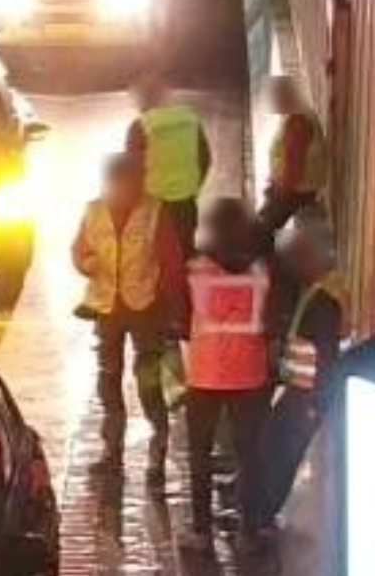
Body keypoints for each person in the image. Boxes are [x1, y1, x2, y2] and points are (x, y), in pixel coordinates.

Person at [72, 152, 185, 487]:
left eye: (130, 185)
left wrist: (174, 311)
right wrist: (85, 264)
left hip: (145, 309)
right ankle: (112, 451)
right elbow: (78, 249)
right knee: (108, 379)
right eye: (118, 185)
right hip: (107, 309)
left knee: (148, 381)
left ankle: (157, 451)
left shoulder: (155, 212)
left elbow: (171, 264)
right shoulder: (93, 210)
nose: (124, 191)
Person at [181, 197, 274, 547]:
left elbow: (184, 310)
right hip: (249, 374)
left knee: (200, 453)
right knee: (249, 454)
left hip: (205, 374)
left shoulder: (197, 270)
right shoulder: (262, 271)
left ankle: (200, 531)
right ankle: (252, 529)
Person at [259, 218, 347, 525]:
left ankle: (261, 518)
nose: (293, 264)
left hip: (304, 395)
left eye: (300, 255)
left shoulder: (324, 301)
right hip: (298, 390)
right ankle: (260, 515)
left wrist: (314, 403)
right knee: (276, 453)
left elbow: (326, 356)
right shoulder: (316, 293)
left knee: (282, 457)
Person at [125, 74, 212, 257]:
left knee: (157, 260)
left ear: (141, 100)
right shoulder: (189, 118)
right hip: (186, 202)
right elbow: (206, 158)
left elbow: (131, 171)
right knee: (184, 255)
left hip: (155, 205)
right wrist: (193, 187)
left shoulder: (140, 126)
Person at [261, 75, 329, 232]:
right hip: (294, 193)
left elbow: (294, 171)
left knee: (256, 234)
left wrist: (277, 192)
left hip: (293, 195)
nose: (270, 103)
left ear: (283, 96)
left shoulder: (297, 122)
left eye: (272, 97)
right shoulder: (297, 115)